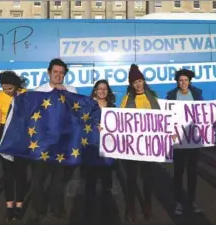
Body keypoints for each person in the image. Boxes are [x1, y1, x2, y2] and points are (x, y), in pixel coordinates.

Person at [25, 58, 77, 224]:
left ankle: (57, 208)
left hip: (61, 144)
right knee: (37, 181)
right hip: (41, 145)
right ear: (49, 73)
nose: (58, 75)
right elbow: (30, 114)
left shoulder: (71, 90)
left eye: (61, 73)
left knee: (58, 181)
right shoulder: (39, 91)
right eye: (55, 72)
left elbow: (75, 114)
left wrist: (65, 95)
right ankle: (38, 209)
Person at [120, 64, 160, 222]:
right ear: (131, 84)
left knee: (148, 179)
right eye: (134, 82)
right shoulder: (126, 99)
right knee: (131, 179)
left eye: (140, 81)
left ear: (144, 81)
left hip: (149, 147)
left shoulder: (153, 98)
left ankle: (147, 207)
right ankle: (131, 209)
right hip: (132, 147)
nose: (138, 84)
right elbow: (120, 121)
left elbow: (162, 119)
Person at [0, 70, 28, 221]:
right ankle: (9, 206)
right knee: (7, 174)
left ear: (16, 85)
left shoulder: (25, 94)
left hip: (21, 138)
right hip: (5, 136)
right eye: (4, 88)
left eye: (10, 88)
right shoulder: (0, 96)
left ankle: (19, 206)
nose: (7, 91)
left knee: (20, 174)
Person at [165, 69, 204, 215]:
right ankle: (178, 202)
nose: (183, 83)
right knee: (178, 172)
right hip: (178, 141)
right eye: (181, 80)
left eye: (186, 80)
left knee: (192, 172)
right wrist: (170, 131)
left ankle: (192, 201)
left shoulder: (197, 94)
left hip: (193, 141)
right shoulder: (172, 95)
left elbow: (203, 113)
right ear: (177, 82)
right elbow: (167, 116)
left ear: (189, 81)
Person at [84, 80, 116, 219]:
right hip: (92, 148)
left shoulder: (113, 108)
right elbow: (81, 123)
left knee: (107, 184)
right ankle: (89, 212)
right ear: (95, 91)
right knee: (90, 183)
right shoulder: (88, 106)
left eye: (105, 89)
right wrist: (92, 125)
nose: (102, 91)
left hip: (108, 151)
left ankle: (106, 211)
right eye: (99, 89)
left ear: (108, 91)